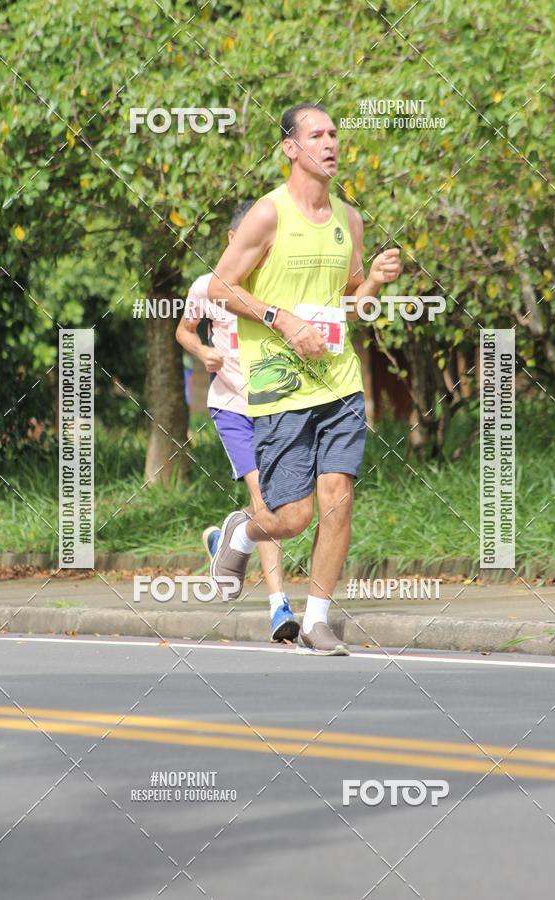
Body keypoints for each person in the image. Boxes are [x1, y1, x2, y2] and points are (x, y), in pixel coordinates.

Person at [208, 102, 402, 656]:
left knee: (338, 497)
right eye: (316, 135)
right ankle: (238, 535)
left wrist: (377, 284)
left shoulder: (350, 220)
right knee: (291, 517)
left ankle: (317, 618)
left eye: (334, 134)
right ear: (291, 148)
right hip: (279, 387)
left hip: (339, 382)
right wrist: (283, 320)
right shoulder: (267, 215)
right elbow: (221, 285)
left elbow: (353, 308)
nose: (330, 143)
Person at [175, 202, 299, 643]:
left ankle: (228, 537)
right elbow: (184, 330)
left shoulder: (273, 290)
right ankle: (278, 606)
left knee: (284, 508)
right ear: (232, 241)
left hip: (275, 407)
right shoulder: (206, 287)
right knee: (267, 502)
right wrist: (202, 351)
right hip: (231, 407)